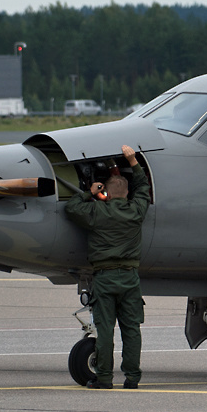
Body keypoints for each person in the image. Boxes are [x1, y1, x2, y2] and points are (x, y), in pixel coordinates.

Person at [65, 144, 151, 389]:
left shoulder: (97, 210)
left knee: (105, 331)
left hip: (105, 277)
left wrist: (89, 192)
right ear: (127, 193)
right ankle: (132, 379)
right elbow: (143, 188)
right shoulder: (137, 210)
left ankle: (104, 378)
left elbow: (72, 209)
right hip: (130, 278)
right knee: (131, 330)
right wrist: (133, 162)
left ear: (107, 193)